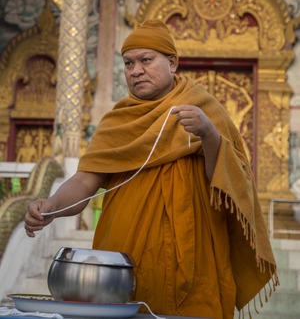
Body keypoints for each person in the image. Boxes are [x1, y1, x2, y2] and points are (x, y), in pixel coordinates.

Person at [25, 20, 278, 319]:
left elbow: (226, 183)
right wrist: (52, 206)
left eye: (146, 60)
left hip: (194, 260)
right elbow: (84, 181)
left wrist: (208, 134)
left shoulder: (203, 110)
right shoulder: (118, 122)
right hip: (122, 263)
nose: (136, 71)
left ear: (172, 63)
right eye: (129, 63)